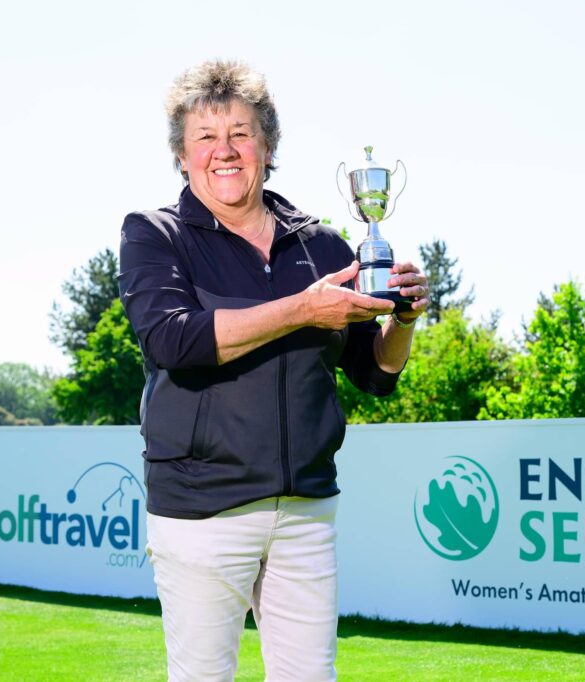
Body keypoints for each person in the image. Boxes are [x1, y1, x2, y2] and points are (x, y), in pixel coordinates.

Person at [118, 60, 429, 682]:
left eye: (241, 133)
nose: (225, 150)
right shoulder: (155, 234)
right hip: (203, 510)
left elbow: (374, 374)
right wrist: (302, 309)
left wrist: (404, 318)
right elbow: (173, 340)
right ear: (182, 154)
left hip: (307, 509)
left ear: (268, 146)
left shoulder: (322, 245)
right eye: (206, 137)